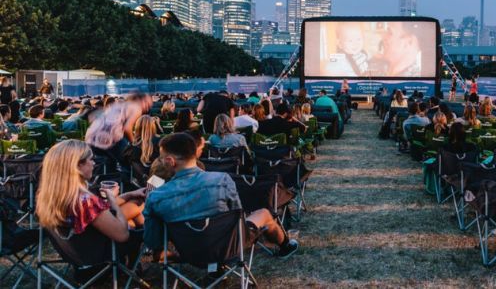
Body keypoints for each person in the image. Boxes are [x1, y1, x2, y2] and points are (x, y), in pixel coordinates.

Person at [143, 133, 299, 257]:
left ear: (170, 161)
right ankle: (286, 246)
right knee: (264, 213)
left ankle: (215, 269)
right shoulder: (222, 180)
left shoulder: (155, 196)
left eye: (161, 158)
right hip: (227, 246)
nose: (160, 161)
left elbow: (152, 241)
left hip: (188, 251)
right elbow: (236, 214)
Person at [36, 140, 146, 263]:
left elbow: (98, 212)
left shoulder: (49, 196)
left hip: (73, 252)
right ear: (77, 166)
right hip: (98, 254)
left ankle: (139, 263)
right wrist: (113, 201)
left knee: (133, 209)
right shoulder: (86, 201)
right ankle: (156, 252)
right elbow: (123, 235)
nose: (94, 163)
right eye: (91, 159)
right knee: (138, 214)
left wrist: (129, 194)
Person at [86, 93, 152, 168]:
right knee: (128, 160)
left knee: (110, 163)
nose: (147, 108)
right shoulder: (137, 108)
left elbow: (92, 117)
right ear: (140, 100)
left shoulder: (119, 104)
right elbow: (127, 128)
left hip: (91, 138)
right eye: (147, 104)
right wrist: (134, 144)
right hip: (110, 139)